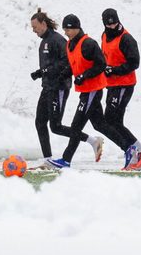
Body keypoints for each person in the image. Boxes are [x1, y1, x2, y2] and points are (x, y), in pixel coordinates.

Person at [49, 14, 130, 169]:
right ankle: (128, 148)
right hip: (85, 91)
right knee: (100, 125)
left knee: (76, 125)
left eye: (68, 29)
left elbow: (101, 65)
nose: (66, 32)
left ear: (76, 28)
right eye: (65, 29)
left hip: (93, 90)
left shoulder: (88, 43)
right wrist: (61, 76)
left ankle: (66, 160)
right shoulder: (70, 44)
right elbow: (74, 65)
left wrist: (84, 76)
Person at [29, 9, 95, 170]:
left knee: (56, 126)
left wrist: (47, 71)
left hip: (59, 87)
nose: (33, 30)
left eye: (35, 27)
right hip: (47, 87)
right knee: (40, 122)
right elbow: (50, 65)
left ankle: (92, 141)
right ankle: (48, 160)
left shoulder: (57, 40)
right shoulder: (44, 41)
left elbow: (67, 62)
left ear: (43, 24)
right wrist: (41, 72)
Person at [100, 8, 141, 171]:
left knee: (111, 120)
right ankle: (135, 150)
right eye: (109, 25)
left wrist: (114, 70)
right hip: (111, 84)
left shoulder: (126, 39)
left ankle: (138, 148)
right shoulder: (104, 36)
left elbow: (134, 63)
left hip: (124, 84)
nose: (112, 27)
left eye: (114, 23)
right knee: (114, 121)